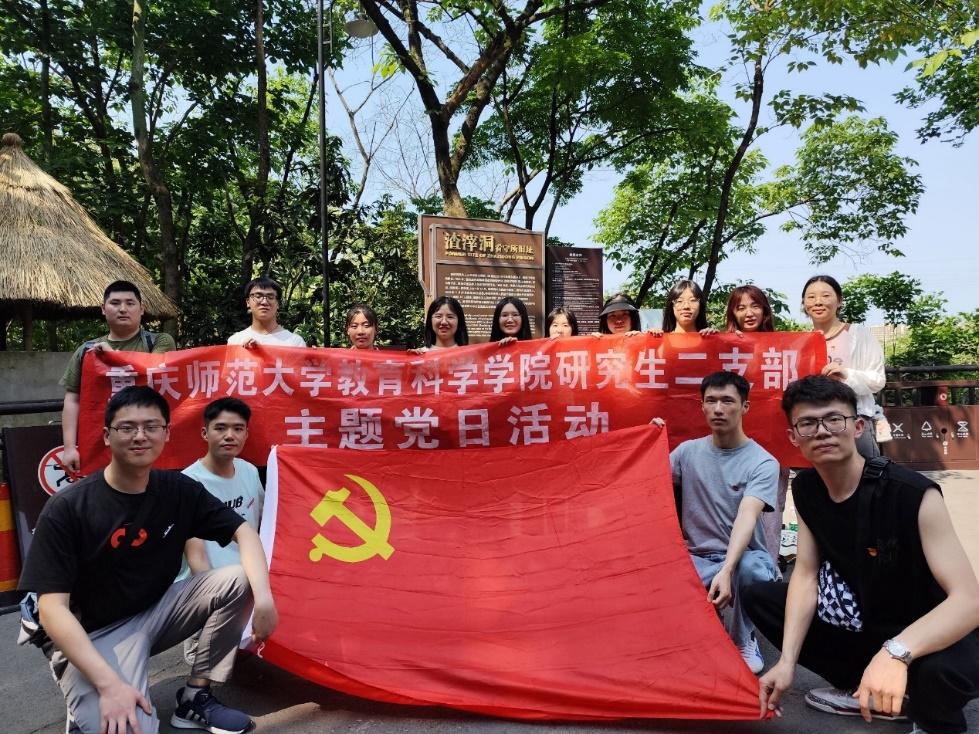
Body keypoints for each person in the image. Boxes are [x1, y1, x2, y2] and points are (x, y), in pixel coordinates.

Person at [18, 386, 278, 734]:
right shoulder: (69, 508)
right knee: (128, 726)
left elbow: (244, 532)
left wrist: (264, 600)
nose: (140, 436)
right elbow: (52, 610)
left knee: (239, 578)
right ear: (107, 436)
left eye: (151, 426)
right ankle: (85, 695)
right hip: (93, 632)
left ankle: (195, 697)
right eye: (127, 427)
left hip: (156, 611)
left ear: (167, 433)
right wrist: (109, 685)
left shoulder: (178, 489)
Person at [750, 375, 979, 733]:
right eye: (808, 423)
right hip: (870, 618)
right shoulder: (807, 489)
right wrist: (786, 662)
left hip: (934, 627)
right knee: (760, 596)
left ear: (858, 426)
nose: (822, 431)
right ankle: (866, 689)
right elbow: (806, 575)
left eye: (834, 419)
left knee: (938, 673)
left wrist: (895, 652)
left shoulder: (911, 493)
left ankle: (927, 714)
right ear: (794, 437)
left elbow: (968, 601)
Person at [669, 371, 779, 674]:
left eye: (728, 401)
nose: (718, 409)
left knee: (752, 569)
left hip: (744, 557)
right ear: (702, 406)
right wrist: (649, 441)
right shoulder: (686, 452)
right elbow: (647, 482)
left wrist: (727, 569)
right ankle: (708, 631)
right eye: (711, 401)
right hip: (697, 556)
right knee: (663, 574)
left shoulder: (763, 462)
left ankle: (743, 639)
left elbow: (747, 514)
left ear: (745, 407)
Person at [178, 398, 265, 666]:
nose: (230, 435)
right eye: (220, 428)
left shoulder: (250, 471)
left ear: (247, 434)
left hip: (250, 580)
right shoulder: (188, 482)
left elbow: (263, 525)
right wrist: (211, 604)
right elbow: (196, 558)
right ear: (205, 433)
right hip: (212, 588)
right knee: (207, 666)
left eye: (238, 429)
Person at [60, 280, 177, 475]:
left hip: (148, 440)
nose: (123, 309)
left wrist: (112, 356)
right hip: (104, 443)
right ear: (103, 309)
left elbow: (151, 369)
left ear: (141, 309)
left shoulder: (159, 341)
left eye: (130, 303)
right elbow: (73, 399)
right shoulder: (87, 351)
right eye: (115, 303)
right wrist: (70, 447)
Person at [724, 285, 787, 570]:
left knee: (770, 514)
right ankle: (731, 571)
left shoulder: (784, 348)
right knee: (732, 509)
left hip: (774, 447)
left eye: (755, 306)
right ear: (732, 313)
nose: (748, 313)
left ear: (765, 310)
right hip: (733, 448)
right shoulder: (723, 347)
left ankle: (767, 572)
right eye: (741, 307)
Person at [801, 275, 885, 459]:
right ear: (804, 303)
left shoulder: (859, 334)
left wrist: (846, 374)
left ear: (839, 301)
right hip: (814, 427)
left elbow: (878, 380)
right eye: (811, 297)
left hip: (853, 423)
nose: (818, 302)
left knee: (864, 474)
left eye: (825, 296)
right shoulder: (801, 341)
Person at [228, 276, 306, 348]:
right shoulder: (235, 341)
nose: (264, 302)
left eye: (270, 297)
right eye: (258, 296)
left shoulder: (295, 343)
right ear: (248, 302)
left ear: (278, 303)